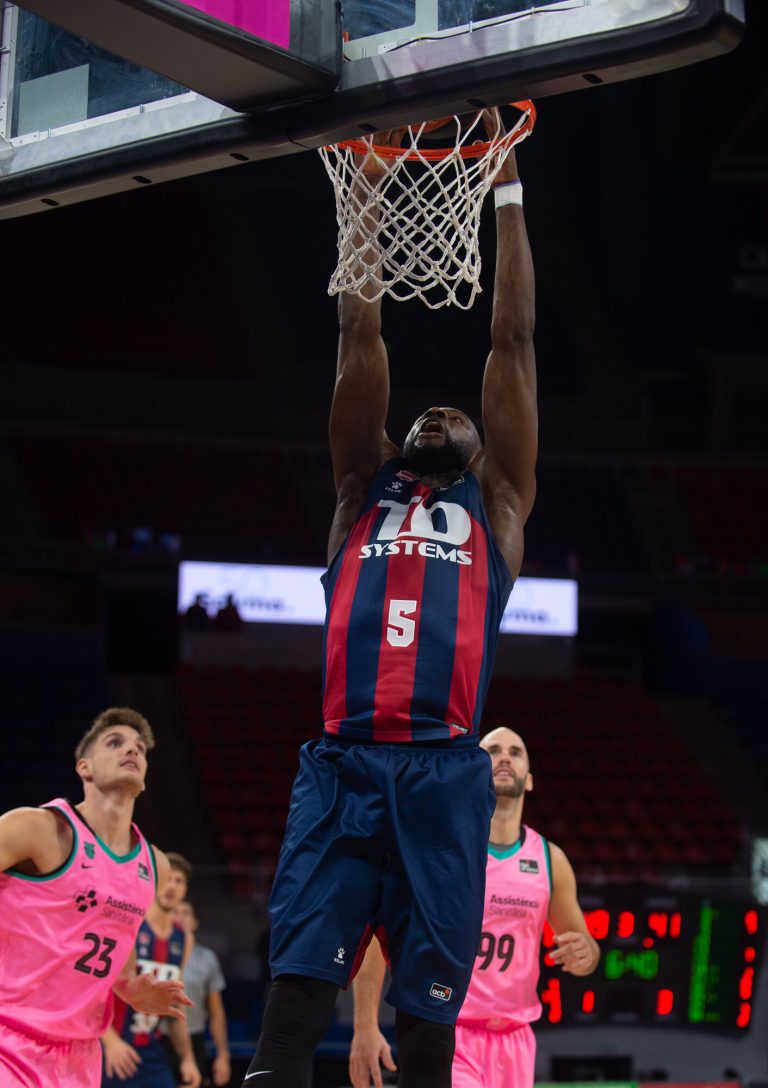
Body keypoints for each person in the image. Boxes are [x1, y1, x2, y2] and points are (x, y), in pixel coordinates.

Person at [243, 110, 538, 1088]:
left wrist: (502, 185)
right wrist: (364, 183)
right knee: (294, 997)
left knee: (423, 1021)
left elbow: (512, 336)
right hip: (342, 761)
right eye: (426, 408)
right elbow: (358, 326)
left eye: (455, 414)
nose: (438, 409)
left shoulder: (494, 503)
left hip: (443, 771)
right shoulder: (356, 490)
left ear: (480, 450)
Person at [350, 727, 601, 1088]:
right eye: (493, 750)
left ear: (529, 779)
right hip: (449, 1029)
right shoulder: (438, 850)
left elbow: (585, 950)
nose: (504, 757)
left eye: (515, 752)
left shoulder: (550, 859)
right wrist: (364, 1026)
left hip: (516, 1040)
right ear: (472, 771)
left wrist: (585, 953)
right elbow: (377, 933)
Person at [0, 707, 194, 1088]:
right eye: (115, 742)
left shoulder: (154, 866)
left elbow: (115, 958)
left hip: (80, 1057)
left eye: (140, 748)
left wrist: (130, 988)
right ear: (85, 768)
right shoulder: (38, 828)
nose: (132, 751)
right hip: (9, 1037)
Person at [102, 854, 201, 1088]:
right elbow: (96, 989)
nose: (172, 886)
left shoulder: (184, 939)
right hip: (113, 1045)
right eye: (168, 879)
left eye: (179, 881)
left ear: (185, 890)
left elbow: (174, 1004)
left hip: (150, 1049)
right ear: (154, 883)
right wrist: (110, 1042)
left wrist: (187, 1058)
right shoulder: (130, 925)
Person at [161, 901, 231, 1087]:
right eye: (175, 911)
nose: (180, 917)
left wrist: (223, 1054)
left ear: (195, 922)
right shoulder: (157, 952)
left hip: (194, 1038)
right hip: (160, 1039)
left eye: (186, 912)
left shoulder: (207, 958)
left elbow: (217, 1012)